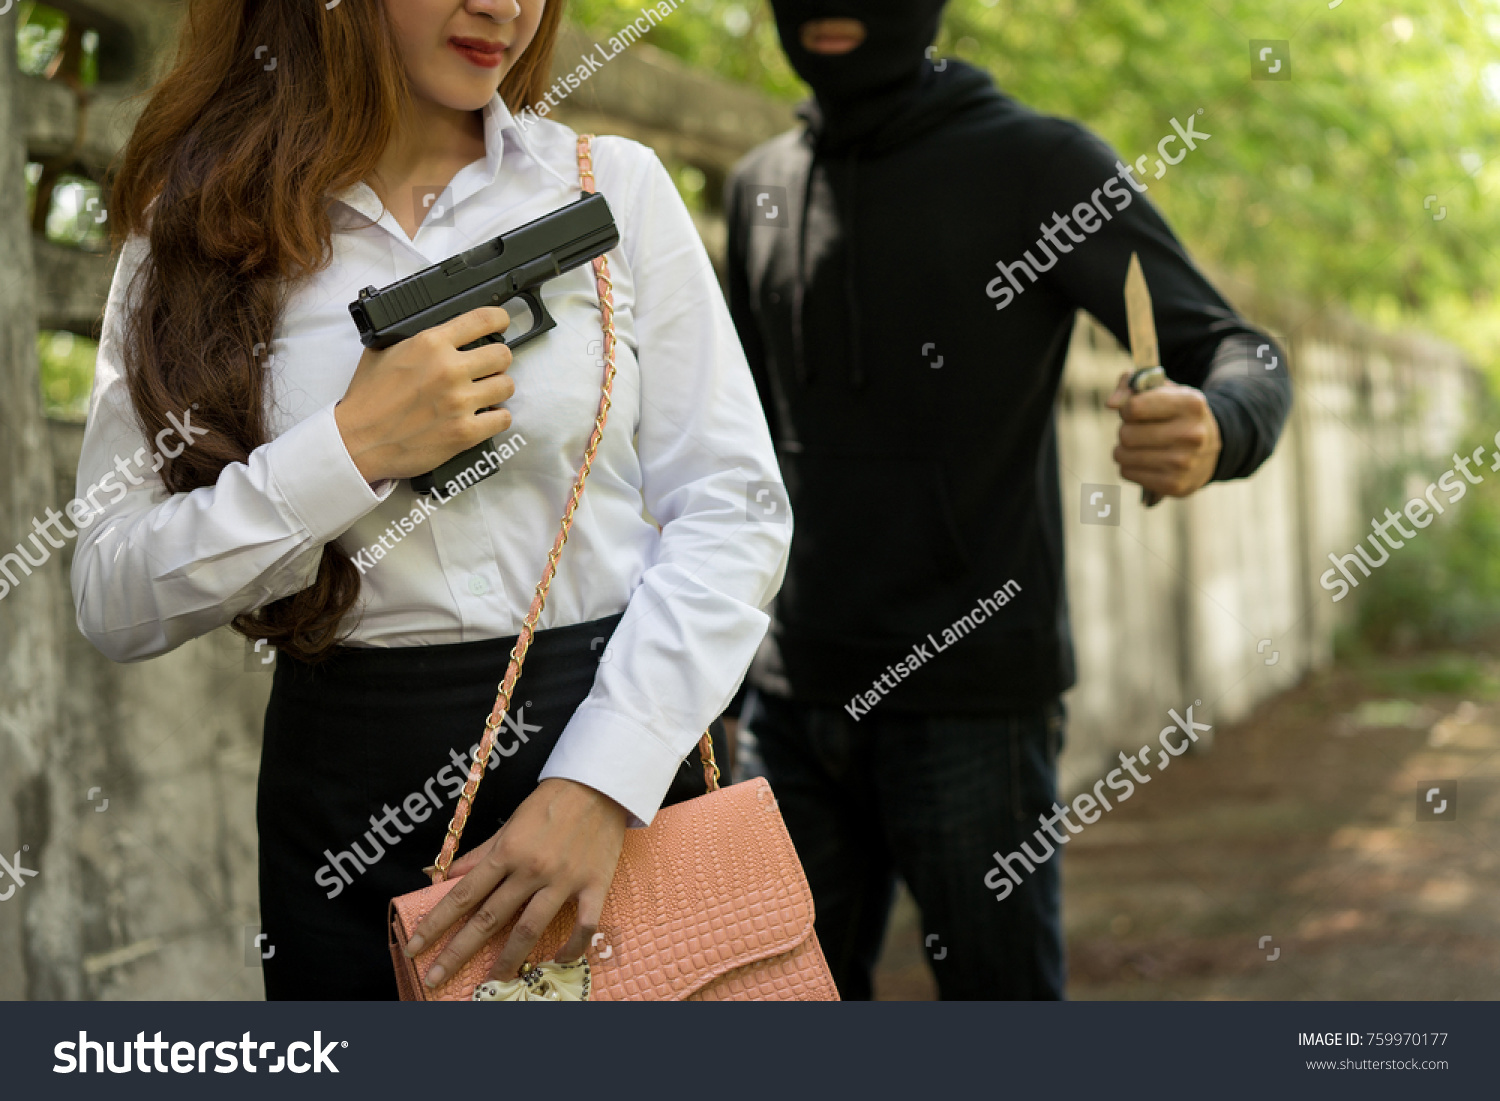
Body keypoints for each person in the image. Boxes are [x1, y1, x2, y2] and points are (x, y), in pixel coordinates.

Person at [72, 0, 789, 1000]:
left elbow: (735, 506)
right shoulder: (195, 235)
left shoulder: (606, 185)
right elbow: (112, 593)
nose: (503, 7)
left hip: (615, 733)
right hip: (349, 796)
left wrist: (601, 780)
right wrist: (351, 449)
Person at [724, 0, 1292, 1000]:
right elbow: (729, 450)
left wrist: (1219, 424)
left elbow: (1240, 349)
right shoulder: (760, 187)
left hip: (972, 703)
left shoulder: (1040, 166)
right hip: (786, 699)